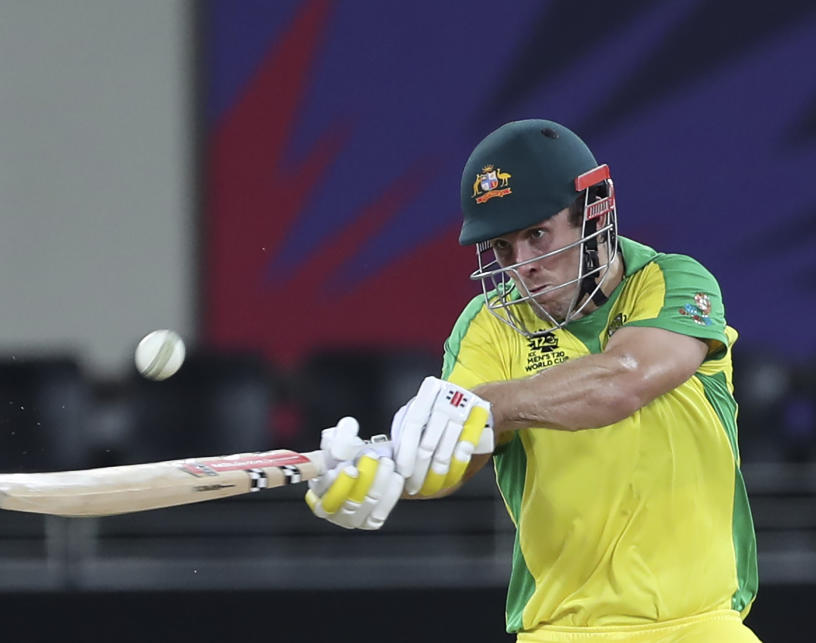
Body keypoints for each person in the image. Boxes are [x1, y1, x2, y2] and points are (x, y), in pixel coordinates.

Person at [303, 119, 760, 642]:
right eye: (501, 248)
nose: (523, 266)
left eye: (536, 234)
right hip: (560, 630)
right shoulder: (489, 324)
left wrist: (487, 405)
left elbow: (623, 380)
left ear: (594, 213)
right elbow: (454, 459)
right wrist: (383, 474)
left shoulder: (671, 280)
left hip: (701, 626)